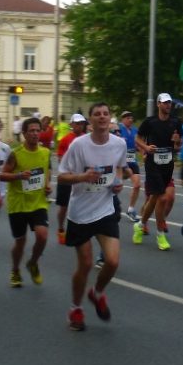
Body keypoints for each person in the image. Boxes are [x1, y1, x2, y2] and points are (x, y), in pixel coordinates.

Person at [57, 102, 131, 331]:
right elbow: (61, 176)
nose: (102, 117)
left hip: (105, 209)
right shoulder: (79, 145)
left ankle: (96, 293)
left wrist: (118, 181)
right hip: (80, 213)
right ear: (90, 121)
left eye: (105, 114)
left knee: (113, 261)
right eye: (97, 114)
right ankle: (75, 309)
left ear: (110, 118)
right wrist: (82, 177)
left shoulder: (119, 143)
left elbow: (120, 168)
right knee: (86, 264)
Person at [0, 117, 51, 288]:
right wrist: (19, 176)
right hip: (19, 204)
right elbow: (2, 175)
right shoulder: (16, 154)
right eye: (32, 131)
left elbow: (46, 171)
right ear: (24, 133)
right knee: (20, 242)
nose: (35, 134)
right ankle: (15, 270)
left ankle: (33, 263)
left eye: (38, 130)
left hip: (38, 202)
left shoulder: (45, 152)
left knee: (42, 236)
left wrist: (48, 186)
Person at [133, 93, 183, 251]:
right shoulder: (150, 122)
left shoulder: (176, 122)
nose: (168, 105)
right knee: (162, 198)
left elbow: (178, 146)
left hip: (167, 164)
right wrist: (146, 147)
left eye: (169, 102)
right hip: (152, 164)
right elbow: (138, 138)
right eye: (165, 103)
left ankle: (140, 224)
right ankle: (160, 234)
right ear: (158, 104)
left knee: (155, 198)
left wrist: (177, 142)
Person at [54, 114, 89, 244]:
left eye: (82, 123)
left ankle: (80, 229)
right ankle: (61, 228)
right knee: (64, 206)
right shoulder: (65, 139)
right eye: (77, 123)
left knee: (81, 203)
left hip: (82, 178)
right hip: (68, 177)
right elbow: (60, 159)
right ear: (72, 124)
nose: (80, 126)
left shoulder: (87, 139)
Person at [116, 111, 142, 222]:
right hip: (120, 162)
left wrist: (142, 151)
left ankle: (130, 210)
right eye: (127, 118)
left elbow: (137, 144)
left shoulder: (135, 130)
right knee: (115, 186)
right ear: (122, 119)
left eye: (131, 118)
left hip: (132, 161)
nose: (130, 120)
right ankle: (110, 204)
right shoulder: (118, 130)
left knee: (137, 185)